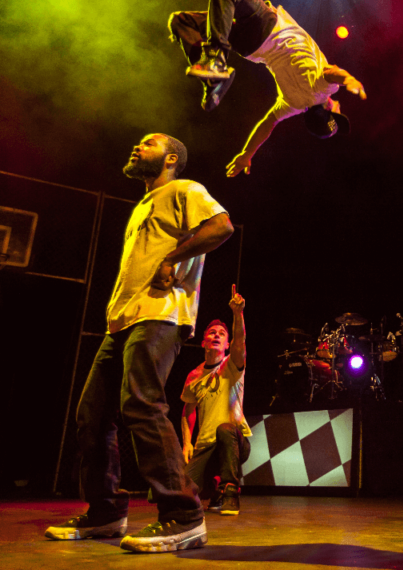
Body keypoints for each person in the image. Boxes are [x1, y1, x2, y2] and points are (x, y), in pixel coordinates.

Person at [45, 133, 234, 553]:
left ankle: (183, 515)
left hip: (160, 314)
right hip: (123, 320)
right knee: (91, 415)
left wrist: (171, 259)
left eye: (148, 143)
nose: (136, 145)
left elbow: (222, 226)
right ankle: (106, 512)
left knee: (142, 404)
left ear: (170, 158)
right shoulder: (142, 206)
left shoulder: (184, 189)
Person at [168, 0, 366, 176]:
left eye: (338, 111)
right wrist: (247, 154)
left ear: (329, 108)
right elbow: (268, 124)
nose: (340, 106)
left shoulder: (323, 89)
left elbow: (332, 74)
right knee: (182, 21)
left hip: (268, 27)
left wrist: (349, 79)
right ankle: (211, 77)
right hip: (250, 49)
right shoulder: (293, 105)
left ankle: (214, 63)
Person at [181, 286, 251, 516]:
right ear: (203, 342)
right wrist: (187, 443)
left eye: (222, 333)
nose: (217, 335)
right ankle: (213, 487)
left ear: (227, 345)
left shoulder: (232, 365)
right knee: (179, 495)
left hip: (234, 441)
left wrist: (237, 313)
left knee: (225, 429)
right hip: (205, 447)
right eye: (212, 333)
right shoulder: (193, 375)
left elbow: (240, 339)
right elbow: (187, 409)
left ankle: (230, 489)